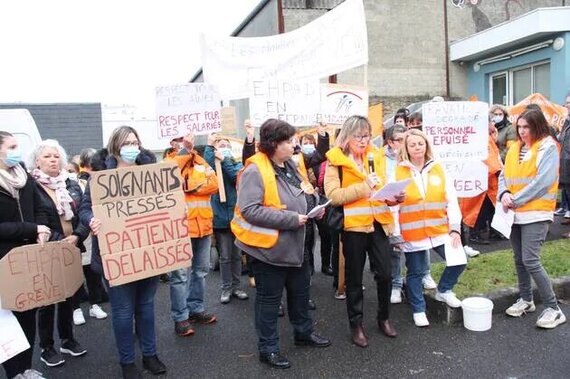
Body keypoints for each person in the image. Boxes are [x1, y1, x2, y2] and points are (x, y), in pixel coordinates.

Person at [232, 119, 331, 369]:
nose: (294, 144)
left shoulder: (290, 164)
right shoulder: (255, 169)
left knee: (300, 294)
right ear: (274, 143)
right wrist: (291, 219)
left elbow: (305, 191)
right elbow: (249, 210)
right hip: (270, 250)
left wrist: (314, 206)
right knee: (269, 300)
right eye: (289, 141)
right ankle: (268, 348)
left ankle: (303, 333)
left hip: (297, 245)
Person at [79, 126, 167, 378]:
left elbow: (166, 203)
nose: (132, 146)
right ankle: (127, 362)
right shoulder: (101, 176)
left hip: (147, 252)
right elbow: (85, 209)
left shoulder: (151, 172)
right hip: (115, 255)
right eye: (127, 142)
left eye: (135, 141)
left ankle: (150, 355)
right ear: (115, 146)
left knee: (146, 307)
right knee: (122, 311)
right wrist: (92, 220)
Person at [324, 115, 398, 348]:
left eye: (366, 135)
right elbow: (334, 196)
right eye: (358, 136)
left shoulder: (376, 156)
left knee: (386, 274)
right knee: (354, 278)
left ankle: (383, 317)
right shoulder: (335, 161)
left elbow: (382, 187)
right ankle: (356, 325)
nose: (364, 140)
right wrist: (364, 187)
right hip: (354, 227)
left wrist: (395, 197)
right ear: (346, 136)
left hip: (378, 223)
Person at [499, 110, 566, 329]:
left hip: (535, 213)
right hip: (515, 212)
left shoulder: (547, 147)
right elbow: (503, 175)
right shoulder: (515, 148)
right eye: (519, 127)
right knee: (519, 259)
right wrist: (504, 194)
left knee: (530, 260)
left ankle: (553, 308)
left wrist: (514, 199)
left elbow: (542, 182)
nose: (522, 131)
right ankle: (526, 300)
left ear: (537, 126)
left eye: (526, 127)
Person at [393, 129, 466, 327]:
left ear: (427, 145)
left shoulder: (439, 168)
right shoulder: (398, 171)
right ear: (406, 149)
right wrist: (396, 235)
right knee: (416, 272)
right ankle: (418, 309)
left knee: (459, 260)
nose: (417, 147)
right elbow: (393, 207)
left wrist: (455, 227)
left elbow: (451, 199)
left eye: (420, 143)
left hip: (440, 229)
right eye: (412, 144)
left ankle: (444, 291)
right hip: (413, 232)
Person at [29, 139, 90, 368]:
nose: (53, 160)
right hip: (46, 252)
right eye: (47, 156)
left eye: (56, 156)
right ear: (37, 161)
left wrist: (78, 236)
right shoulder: (31, 187)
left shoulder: (71, 184)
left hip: (72, 248)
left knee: (69, 296)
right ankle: (47, 347)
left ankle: (68, 339)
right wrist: (60, 242)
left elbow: (83, 212)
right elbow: (36, 219)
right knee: (48, 302)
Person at [0, 131, 50, 379]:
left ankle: (27, 368)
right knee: (8, 320)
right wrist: (31, 228)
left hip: (29, 257)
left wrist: (43, 230)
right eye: (11, 146)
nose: (16, 151)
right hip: (4, 260)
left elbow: (40, 206)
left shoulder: (23, 175)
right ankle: (13, 372)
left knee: (29, 315)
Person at [167, 132, 219, 336]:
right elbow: (169, 180)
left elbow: (213, 184)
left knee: (201, 270)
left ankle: (196, 308)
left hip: (203, 225)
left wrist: (188, 188)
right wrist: (184, 151)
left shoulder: (200, 161)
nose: (185, 141)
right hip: (180, 228)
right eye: (180, 139)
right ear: (173, 142)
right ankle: (180, 317)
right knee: (179, 275)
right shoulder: (170, 161)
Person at [203, 134, 248, 304]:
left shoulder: (237, 165)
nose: (224, 148)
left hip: (236, 218)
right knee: (225, 256)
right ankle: (226, 288)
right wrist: (209, 145)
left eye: (226, 145)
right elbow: (207, 160)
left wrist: (225, 161)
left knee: (237, 255)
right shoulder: (213, 167)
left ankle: (237, 287)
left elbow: (234, 177)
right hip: (221, 219)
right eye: (220, 145)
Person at [71, 148, 108, 326]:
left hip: (89, 234)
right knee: (74, 274)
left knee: (92, 273)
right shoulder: (72, 183)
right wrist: (78, 232)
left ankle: (95, 304)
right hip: (75, 236)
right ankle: (76, 308)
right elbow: (81, 210)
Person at [559, 93, 570, 235]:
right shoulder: (566, 122)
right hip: (566, 165)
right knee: (568, 193)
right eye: (566, 102)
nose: (567, 105)